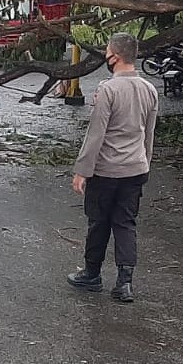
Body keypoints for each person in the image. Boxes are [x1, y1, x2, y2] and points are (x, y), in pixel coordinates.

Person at [66, 32, 158, 303]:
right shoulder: (150, 90)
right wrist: (145, 164)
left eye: (107, 51)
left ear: (114, 57)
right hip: (135, 170)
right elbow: (148, 135)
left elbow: (96, 134)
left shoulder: (108, 90)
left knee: (98, 222)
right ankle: (125, 283)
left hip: (106, 171)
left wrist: (83, 170)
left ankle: (92, 274)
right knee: (125, 223)